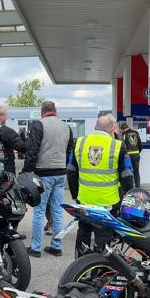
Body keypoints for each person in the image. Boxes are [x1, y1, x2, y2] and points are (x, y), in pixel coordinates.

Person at [69, 115, 134, 254]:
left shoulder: (80, 142)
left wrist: (75, 194)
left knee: (84, 231)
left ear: (95, 127)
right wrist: (127, 197)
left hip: (85, 200)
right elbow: (127, 177)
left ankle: (81, 262)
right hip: (108, 202)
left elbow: (71, 172)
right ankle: (99, 264)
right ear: (112, 129)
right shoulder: (118, 146)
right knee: (103, 237)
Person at [24, 101, 75, 257]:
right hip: (60, 174)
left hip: (43, 174)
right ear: (55, 111)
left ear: (42, 112)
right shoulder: (66, 127)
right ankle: (56, 247)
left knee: (39, 211)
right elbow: (70, 150)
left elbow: (32, 150)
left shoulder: (38, 125)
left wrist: (27, 171)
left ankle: (35, 248)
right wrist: (62, 164)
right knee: (57, 211)